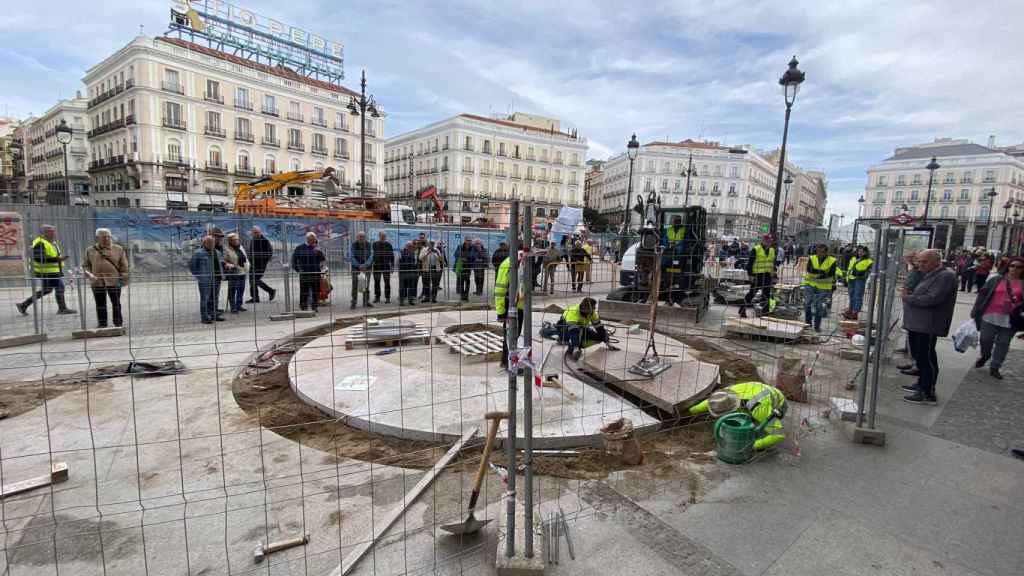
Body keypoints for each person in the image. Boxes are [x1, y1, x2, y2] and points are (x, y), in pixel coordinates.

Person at [900, 249, 957, 405]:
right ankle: (921, 384)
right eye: (919, 261)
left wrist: (909, 298)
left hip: (928, 324)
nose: (920, 265)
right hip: (919, 323)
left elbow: (932, 298)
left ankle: (927, 392)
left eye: (924, 262)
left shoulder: (945, 276)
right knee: (920, 356)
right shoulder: (931, 274)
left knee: (926, 358)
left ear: (936, 261)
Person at [687, 382, 787, 451]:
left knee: (756, 430)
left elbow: (779, 435)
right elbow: (712, 402)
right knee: (742, 419)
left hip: (778, 403)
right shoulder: (727, 394)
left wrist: (753, 446)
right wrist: (693, 410)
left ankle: (760, 435)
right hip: (757, 393)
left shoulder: (758, 409)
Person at [970, 256, 1023, 380]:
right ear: (1008, 266)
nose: (1014, 269)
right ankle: (985, 355)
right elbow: (982, 295)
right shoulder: (996, 279)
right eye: (1012, 266)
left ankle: (995, 366)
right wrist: (975, 311)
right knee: (985, 339)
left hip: (1010, 319)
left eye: (1019, 267)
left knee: (1003, 343)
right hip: (989, 315)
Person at [17, 224, 76, 316]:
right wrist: (58, 259)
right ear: (44, 232)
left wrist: (59, 260)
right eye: (50, 231)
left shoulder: (51, 242)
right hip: (47, 272)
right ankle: (62, 309)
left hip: (52, 271)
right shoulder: (40, 242)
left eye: (54, 231)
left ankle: (23, 305)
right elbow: (38, 258)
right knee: (60, 288)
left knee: (47, 290)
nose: (53, 233)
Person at [83, 228, 129, 328]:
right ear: (97, 238)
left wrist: (124, 278)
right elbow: (86, 265)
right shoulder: (90, 250)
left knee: (116, 303)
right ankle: (102, 324)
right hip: (97, 281)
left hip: (114, 280)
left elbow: (124, 265)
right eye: (104, 237)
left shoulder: (118, 249)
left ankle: (118, 323)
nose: (107, 238)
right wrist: (89, 274)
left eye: (108, 236)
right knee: (100, 304)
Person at [495, 253, 524, 372]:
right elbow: (499, 289)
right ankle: (510, 364)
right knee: (511, 335)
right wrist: (501, 311)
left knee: (514, 335)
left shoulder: (521, 262)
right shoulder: (508, 264)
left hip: (519, 305)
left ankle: (505, 360)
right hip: (510, 305)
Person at [801, 244, 837, 332]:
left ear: (826, 252)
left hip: (823, 287)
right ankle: (808, 323)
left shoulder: (832, 261)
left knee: (819, 306)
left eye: (822, 252)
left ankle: (817, 326)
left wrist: (818, 274)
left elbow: (831, 273)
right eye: (818, 251)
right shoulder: (812, 258)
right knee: (807, 304)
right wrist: (823, 272)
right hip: (810, 284)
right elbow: (809, 269)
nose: (819, 253)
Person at [739, 234, 776, 318]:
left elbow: (772, 263)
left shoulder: (772, 250)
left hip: (767, 275)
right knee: (752, 294)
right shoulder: (756, 249)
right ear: (763, 241)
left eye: (770, 241)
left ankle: (765, 313)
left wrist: (773, 273)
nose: (769, 242)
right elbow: (750, 264)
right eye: (768, 241)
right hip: (757, 276)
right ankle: (742, 310)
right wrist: (751, 275)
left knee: (766, 295)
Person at [189, 235, 223, 324]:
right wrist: (200, 276)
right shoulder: (198, 253)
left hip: (217, 278)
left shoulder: (217, 252)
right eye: (210, 242)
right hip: (205, 280)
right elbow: (192, 266)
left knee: (214, 298)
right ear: (204, 243)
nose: (212, 244)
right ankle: (205, 317)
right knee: (205, 299)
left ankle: (213, 314)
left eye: (213, 242)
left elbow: (220, 263)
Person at [292, 232, 325, 312]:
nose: (314, 242)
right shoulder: (300, 248)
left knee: (315, 290)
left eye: (314, 240)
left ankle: (314, 306)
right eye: (312, 240)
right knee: (304, 290)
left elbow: (323, 260)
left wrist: (322, 268)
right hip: (304, 273)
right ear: (308, 239)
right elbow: (294, 260)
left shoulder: (317, 249)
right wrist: (298, 269)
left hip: (315, 272)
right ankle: (303, 306)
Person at [842, 245, 874, 320]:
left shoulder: (869, 261)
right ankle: (850, 310)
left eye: (862, 252)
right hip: (851, 279)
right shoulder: (854, 258)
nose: (860, 253)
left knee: (858, 296)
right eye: (859, 251)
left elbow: (868, 272)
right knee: (851, 295)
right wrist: (847, 278)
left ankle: (855, 312)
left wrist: (862, 276)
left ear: (866, 253)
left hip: (859, 280)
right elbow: (850, 268)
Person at [246, 226, 276, 304]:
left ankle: (270, 291)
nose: (255, 234)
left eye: (257, 232)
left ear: (260, 232)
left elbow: (269, 252)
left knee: (255, 280)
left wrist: (263, 260)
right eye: (254, 233)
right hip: (252, 264)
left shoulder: (264, 241)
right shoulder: (253, 240)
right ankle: (255, 297)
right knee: (252, 281)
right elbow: (251, 251)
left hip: (260, 265)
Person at [222, 233, 249, 313]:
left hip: (242, 271)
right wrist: (229, 264)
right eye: (234, 240)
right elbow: (224, 260)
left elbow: (245, 257)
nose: (237, 241)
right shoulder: (226, 249)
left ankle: (239, 305)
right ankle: (233, 307)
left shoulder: (240, 247)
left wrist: (247, 265)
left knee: (241, 289)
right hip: (233, 272)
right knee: (232, 290)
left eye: (237, 239)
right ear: (230, 241)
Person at [350, 231, 373, 309]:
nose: (361, 238)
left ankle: (366, 302)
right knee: (355, 284)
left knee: (366, 284)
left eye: (363, 236)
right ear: (357, 237)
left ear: (365, 237)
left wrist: (366, 264)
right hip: (356, 268)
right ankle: (353, 302)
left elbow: (371, 256)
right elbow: (351, 256)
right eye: (360, 236)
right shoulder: (353, 245)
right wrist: (358, 265)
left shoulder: (369, 244)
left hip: (367, 267)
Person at [371, 231, 394, 304]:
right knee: (376, 282)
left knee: (387, 282)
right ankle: (377, 297)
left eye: (384, 236)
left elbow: (392, 255)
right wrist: (372, 263)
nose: (383, 237)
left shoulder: (389, 245)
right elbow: (373, 255)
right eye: (382, 236)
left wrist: (392, 266)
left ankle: (387, 297)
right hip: (377, 266)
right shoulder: (374, 244)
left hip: (386, 266)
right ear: (379, 236)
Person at [398, 242, 419, 306]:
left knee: (411, 287)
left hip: (411, 272)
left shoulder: (414, 253)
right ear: (406, 246)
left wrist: (415, 272)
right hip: (403, 273)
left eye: (411, 246)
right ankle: (401, 301)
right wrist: (398, 271)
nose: (410, 247)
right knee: (402, 287)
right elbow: (397, 262)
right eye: (408, 246)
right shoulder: (400, 252)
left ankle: (410, 300)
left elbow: (415, 263)